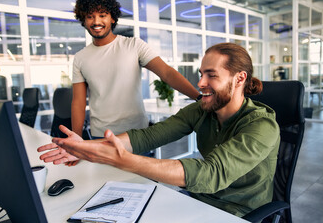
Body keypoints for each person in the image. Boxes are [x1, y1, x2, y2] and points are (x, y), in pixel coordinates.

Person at [38, 43, 280, 217]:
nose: (200, 83)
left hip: (239, 212)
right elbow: (148, 136)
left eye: (211, 75)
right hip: (199, 202)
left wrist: (124, 161)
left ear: (239, 78)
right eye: (201, 74)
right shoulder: (202, 110)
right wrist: (82, 148)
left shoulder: (261, 125)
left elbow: (210, 174)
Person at [71, 0, 200, 140]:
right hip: (101, 135)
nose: (96, 22)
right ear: (83, 20)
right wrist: (76, 139)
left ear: (112, 18)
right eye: (90, 17)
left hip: (136, 134)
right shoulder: (80, 58)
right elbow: (78, 102)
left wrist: (198, 97)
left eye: (102, 15)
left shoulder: (134, 45)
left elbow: (167, 73)